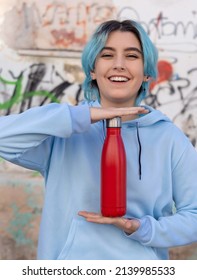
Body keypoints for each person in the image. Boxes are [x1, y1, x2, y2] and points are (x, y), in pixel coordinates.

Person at [1, 19, 197, 260]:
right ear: (92, 70)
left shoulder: (168, 137)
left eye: (132, 56)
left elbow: (194, 214)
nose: (119, 65)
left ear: (147, 73)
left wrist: (142, 228)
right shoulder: (63, 134)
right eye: (107, 55)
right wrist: (83, 116)